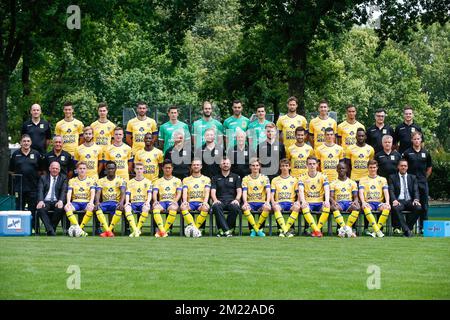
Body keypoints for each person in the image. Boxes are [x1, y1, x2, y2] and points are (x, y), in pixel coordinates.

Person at [9, 134, 41, 231]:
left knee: (33, 209)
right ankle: (19, 228)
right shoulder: (15, 154)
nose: (26, 143)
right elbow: (11, 170)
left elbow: (41, 170)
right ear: (21, 143)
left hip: (33, 187)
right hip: (19, 187)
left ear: (31, 143)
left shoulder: (36, 154)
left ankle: (34, 228)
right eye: (24, 141)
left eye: (28, 141)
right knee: (19, 208)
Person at [402, 131, 432, 233]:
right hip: (410, 183)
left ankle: (424, 228)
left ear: (421, 140)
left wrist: (424, 178)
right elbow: (403, 167)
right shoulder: (407, 153)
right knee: (411, 205)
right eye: (414, 139)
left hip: (423, 183)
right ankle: (408, 227)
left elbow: (429, 167)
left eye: (418, 139)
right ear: (412, 140)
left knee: (424, 205)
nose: (416, 141)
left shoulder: (426, 153)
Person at [147, 160, 183, 237]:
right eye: (166, 168)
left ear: (172, 169)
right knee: (155, 207)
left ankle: (163, 230)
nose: (167, 169)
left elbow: (179, 193)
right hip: (162, 202)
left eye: (169, 168)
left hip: (172, 201)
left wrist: (175, 201)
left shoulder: (177, 180)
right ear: (162, 168)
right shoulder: (157, 181)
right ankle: (163, 231)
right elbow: (155, 192)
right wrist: (156, 200)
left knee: (173, 207)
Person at [298, 156, 331, 238]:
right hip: (309, 202)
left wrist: (326, 200)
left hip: (319, 202)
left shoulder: (323, 176)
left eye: (313, 164)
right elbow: (301, 190)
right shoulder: (302, 177)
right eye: (310, 164)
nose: (312, 166)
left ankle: (316, 230)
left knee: (327, 207)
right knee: (304, 207)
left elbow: (327, 189)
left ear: (317, 165)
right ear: (306, 165)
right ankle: (317, 231)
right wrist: (303, 201)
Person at [388, 159, 421, 237]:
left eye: (405, 166)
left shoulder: (412, 177)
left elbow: (416, 190)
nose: (403, 167)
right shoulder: (392, 177)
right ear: (398, 167)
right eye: (401, 165)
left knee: (418, 208)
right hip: (399, 201)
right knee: (396, 208)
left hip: (410, 201)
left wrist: (416, 199)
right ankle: (407, 230)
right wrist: (394, 200)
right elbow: (391, 190)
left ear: (407, 167)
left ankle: (407, 228)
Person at [358, 160, 391, 238]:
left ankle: (376, 231)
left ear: (377, 168)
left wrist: (387, 202)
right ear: (368, 168)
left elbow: (386, 191)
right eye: (371, 167)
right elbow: (361, 192)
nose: (372, 169)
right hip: (369, 202)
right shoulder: (363, 179)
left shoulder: (383, 179)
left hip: (379, 202)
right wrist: (363, 202)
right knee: (366, 207)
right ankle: (377, 230)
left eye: (374, 167)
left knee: (387, 208)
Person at [211, 157, 242, 237]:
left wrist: (237, 199)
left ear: (230, 165)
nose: (225, 165)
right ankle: (227, 230)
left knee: (235, 207)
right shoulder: (215, 178)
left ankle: (223, 229)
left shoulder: (236, 177)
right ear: (220, 165)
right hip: (220, 200)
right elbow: (213, 191)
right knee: (216, 206)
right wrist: (215, 200)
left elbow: (239, 190)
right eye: (224, 163)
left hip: (231, 200)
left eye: (227, 163)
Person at [94, 161, 126, 237]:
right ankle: (108, 230)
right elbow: (98, 192)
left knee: (119, 208)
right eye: (109, 168)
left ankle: (109, 230)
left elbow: (123, 192)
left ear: (115, 169)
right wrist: (97, 202)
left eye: (112, 168)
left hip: (115, 202)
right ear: (106, 169)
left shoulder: (121, 180)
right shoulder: (101, 180)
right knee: (97, 208)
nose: (110, 170)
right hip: (105, 202)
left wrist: (121, 202)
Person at [64, 161, 96, 237]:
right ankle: (80, 230)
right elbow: (69, 192)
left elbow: (93, 192)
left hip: (86, 202)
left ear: (86, 170)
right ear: (77, 170)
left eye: (84, 168)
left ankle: (79, 229)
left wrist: (91, 202)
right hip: (76, 202)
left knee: (91, 207)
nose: (82, 170)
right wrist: (68, 202)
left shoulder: (91, 180)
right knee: (66, 207)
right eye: (80, 168)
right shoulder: (72, 180)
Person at [269, 159, 300, 237]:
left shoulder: (294, 180)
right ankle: (285, 230)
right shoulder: (275, 180)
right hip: (280, 203)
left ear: (289, 167)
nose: (284, 168)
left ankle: (285, 230)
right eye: (282, 166)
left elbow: (298, 193)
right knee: (276, 207)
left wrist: (298, 201)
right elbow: (272, 194)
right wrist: (273, 202)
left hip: (290, 203)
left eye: (286, 166)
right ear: (280, 167)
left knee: (297, 207)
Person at [329, 162, 360, 237]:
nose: (341, 170)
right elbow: (331, 196)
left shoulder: (352, 182)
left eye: (343, 168)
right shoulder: (333, 183)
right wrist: (333, 202)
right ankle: (346, 229)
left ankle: (345, 229)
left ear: (346, 169)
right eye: (339, 168)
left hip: (349, 202)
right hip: (339, 203)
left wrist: (355, 201)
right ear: (336, 170)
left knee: (357, 207)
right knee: (334, 207)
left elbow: (355, 196)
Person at [241, 158, 271, 237]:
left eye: (257, 165)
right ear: (250, 167)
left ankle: (258, 229)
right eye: (253, 165)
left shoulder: (265, 178)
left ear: (260, 167)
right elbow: (244, 192)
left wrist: (267, 202)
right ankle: (254, 230)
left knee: (267, 208)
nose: (255, 167)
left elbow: (268, 191)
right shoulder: (246, 178)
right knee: (245, 208)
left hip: (261, 202)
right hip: (250, 202)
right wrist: (245, 202)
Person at [36, 161, 68, 236]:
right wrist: (40, 201)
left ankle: (50, 230)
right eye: (53, 168)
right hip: (46, 201)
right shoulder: (43, 178)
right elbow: (40, 190)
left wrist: (60, 201)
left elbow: (64, 191)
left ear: (59, 170)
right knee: (40, 209)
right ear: (49, 168)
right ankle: (51, 230)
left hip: (57, 201)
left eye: (57, 168)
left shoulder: (63, 178)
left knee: (60, 208)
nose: (55, 170)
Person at [180, 159, 211, 230]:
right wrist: (184, 201)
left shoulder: (206, 179)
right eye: (194, 165)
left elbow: (207, 192)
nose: (196, 166)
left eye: (198, 165)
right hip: (190, 203)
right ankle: (195, 229)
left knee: (205, 208)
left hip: (201, 202)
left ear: (201, 167)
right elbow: (184, 191)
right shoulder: (186, 179)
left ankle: (195, 229)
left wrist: (205, 202)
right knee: (183, 207)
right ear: (191, 167)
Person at [123, 162, 152, 237]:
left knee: (146, 207)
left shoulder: (148, 182)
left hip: (143, 202)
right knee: (127, 207)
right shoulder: (130, 182)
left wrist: (148, 202)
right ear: (134, 170)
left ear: (143, 170)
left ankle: (136, 230)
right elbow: (127, 194)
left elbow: (149, 193)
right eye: (137, 169)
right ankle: (136, 230)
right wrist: (127, 202)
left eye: (141, 169)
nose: (139, 171)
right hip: (133, 203)